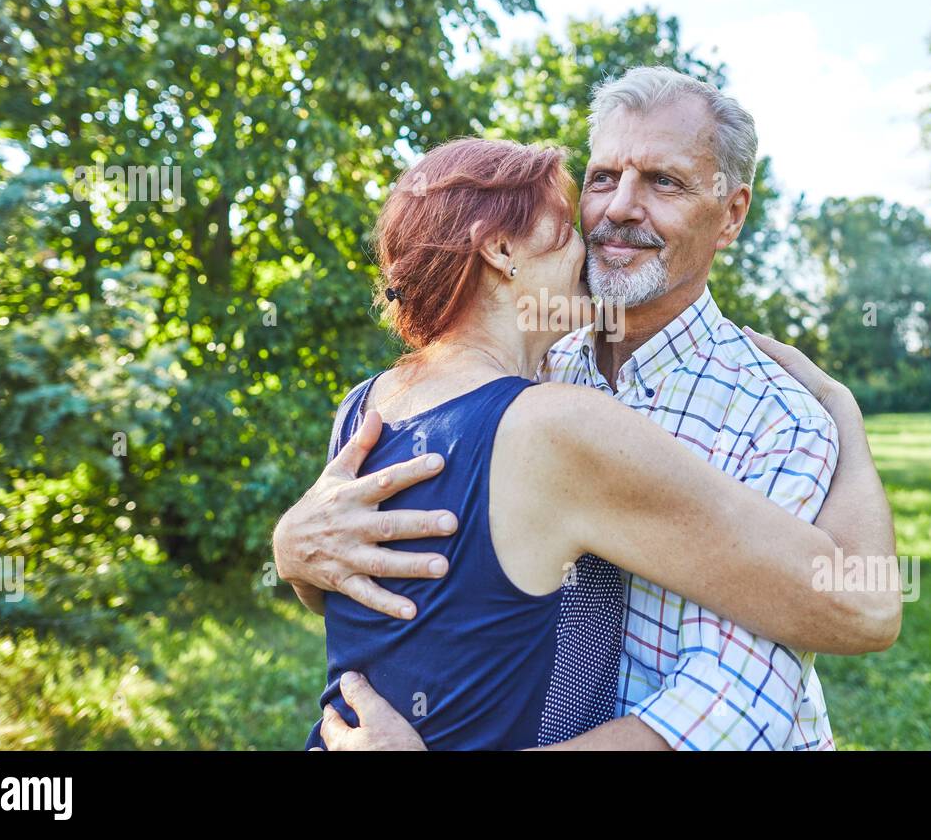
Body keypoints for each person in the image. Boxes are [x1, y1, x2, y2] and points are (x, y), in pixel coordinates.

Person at [284, 125, 899, 751]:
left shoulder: (363, 407)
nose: (602, 227)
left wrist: (290, 557)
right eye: (589, 196)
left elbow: (401, 602)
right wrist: (293, 552)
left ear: (730, 211)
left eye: (663, 181)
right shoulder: (556, 417)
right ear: (500, 249)